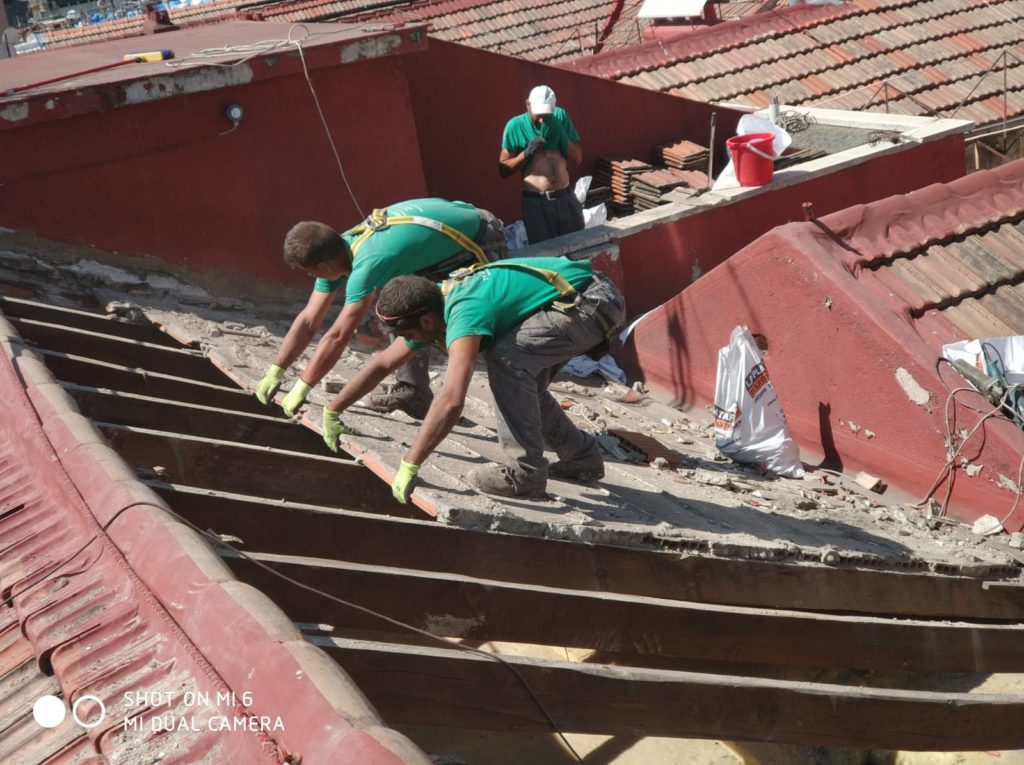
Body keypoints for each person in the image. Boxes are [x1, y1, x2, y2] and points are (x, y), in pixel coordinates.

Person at [321, 257, 626, 503]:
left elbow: (452, 399)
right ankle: (581, 458)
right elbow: (384, 363)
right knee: (522, 380)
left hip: (591, 302)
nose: (408, 343)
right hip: (579, 298)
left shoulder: (464, 313)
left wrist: (410, 461)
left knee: (508, 361)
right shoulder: (432, 302)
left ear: (427, 321)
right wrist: (333, 410)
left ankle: (526, 474)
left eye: (409, 335)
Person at [255, 198, 506, 419]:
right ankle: (413, 391)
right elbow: (310, 320)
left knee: (481, 330)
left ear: (324, 266)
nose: (309, 276)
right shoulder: (337, 249)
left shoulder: (367, 265)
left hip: (476, 238)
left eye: (308, 271)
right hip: (438, 242)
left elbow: (339, 335)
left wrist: (303, 385)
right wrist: (276, 371)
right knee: (399, 307)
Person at [498, 85, 584, 245]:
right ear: (527, 105)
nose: (542, 120)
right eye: (538, 114)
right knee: (547, 255)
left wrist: (562, 137)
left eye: (546, 114)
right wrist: (526, 153)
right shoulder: (515, 126)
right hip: (537, 205)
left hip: (566, 198)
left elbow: (578, 157)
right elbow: (503, 169)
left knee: (580, 249)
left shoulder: (560, 117)